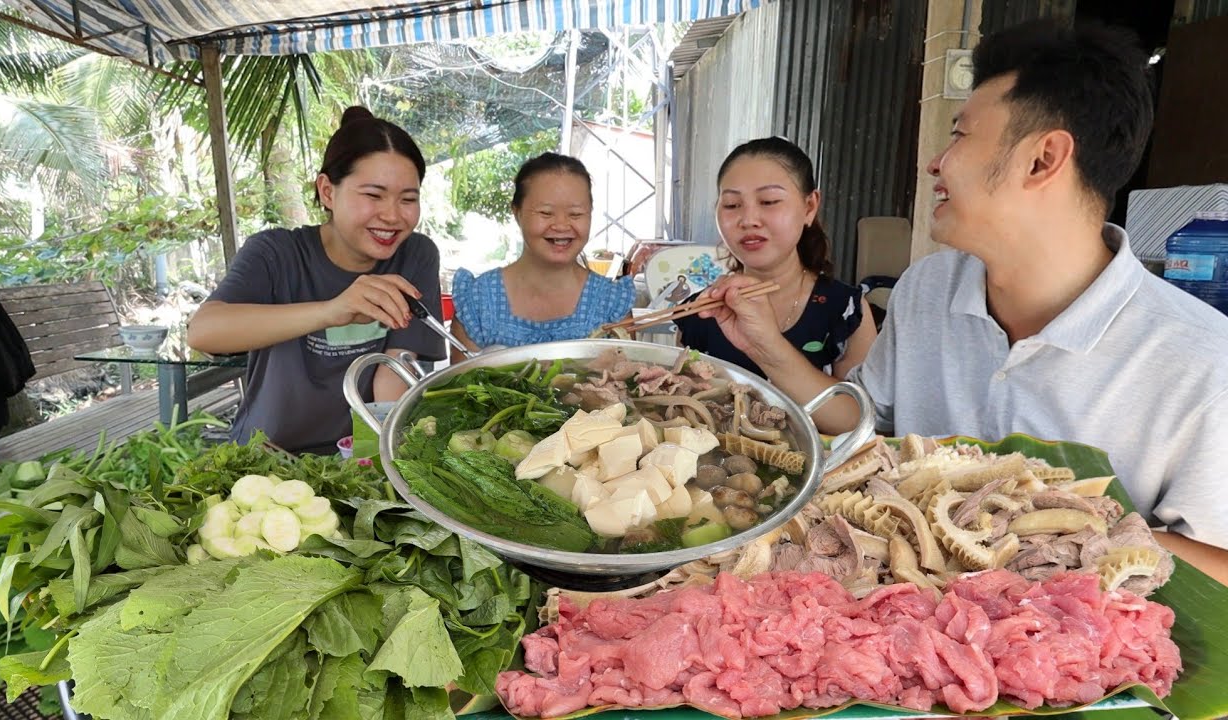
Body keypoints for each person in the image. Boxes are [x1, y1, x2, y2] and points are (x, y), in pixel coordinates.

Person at [696, 22, 1228, 582]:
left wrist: (1047, 529)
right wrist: (762, 341)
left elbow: (1216, 562)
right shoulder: (929, 288)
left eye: (959, 135)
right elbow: (860, 423)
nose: (935, 163)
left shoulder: (1200, 361)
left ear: (1043, 159)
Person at [187, 107, 445, 455]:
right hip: (264, 454)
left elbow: (394, 366)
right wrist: (331, 311)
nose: (393, 215)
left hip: (354, 456)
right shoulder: (276, 253)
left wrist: (388, 453)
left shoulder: (415, 255)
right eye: (373, 195)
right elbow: (204, 332)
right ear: (327, 191)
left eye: (408, 199)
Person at [674, 137, 876, 380]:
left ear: (809, 207)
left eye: (769, 201)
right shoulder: (701, 312)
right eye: (731, 204)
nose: (748, 220)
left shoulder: (846, 310)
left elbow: (859, 414)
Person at [449, 153, 634, 361]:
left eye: (576, 214)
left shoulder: (611, 304)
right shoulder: (478, 301)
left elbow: (626, 383)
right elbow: (458, 385)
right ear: (516, 212)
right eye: (546, 213)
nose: (562, 225)